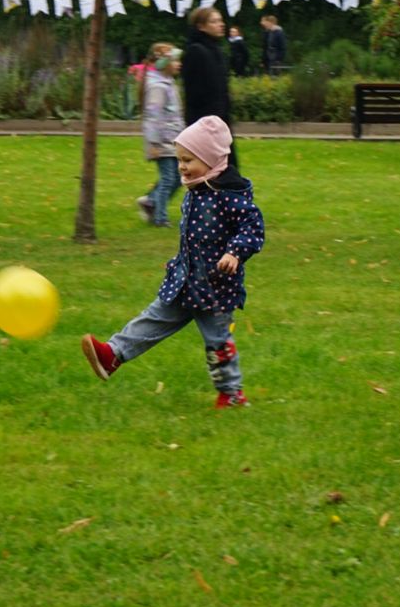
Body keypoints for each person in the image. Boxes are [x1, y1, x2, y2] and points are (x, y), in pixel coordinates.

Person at [80, 116, 265, 408]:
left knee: (218, 343)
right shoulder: (196, 189)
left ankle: (231, 394)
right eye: (179, 159)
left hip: (215, 289)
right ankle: (112, 355)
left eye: (188, 159)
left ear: (211, 159)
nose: (181, 166)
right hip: (184, 280)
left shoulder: (230, 196)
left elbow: (253, 229)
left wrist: (235, 252)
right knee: (153, 317)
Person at [181, 7, 239, 173]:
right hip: (206, 125)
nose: (221, 25)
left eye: (220, 21)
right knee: (214, 174)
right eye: (214, 21)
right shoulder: (196, 51)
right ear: (201, 26)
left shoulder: (216, 51)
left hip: (221, 123)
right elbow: (195, 93)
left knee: (226, 173)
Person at [138, 46, 184, 228]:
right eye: (175, 60)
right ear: (163, 63)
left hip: (173, 140)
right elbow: (153, 116)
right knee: (168, 180)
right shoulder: (157, 87)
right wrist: (154, 143)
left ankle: (150, 202)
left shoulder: (168, 83)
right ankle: (160, 218)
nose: (179, 64)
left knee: (177, 178)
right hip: (162, 142)